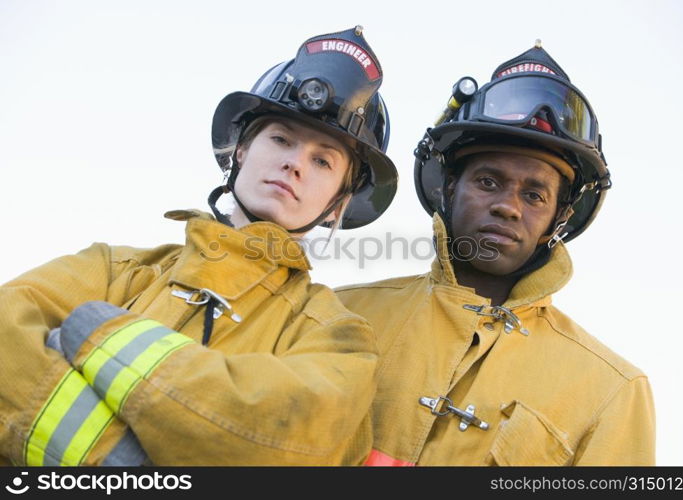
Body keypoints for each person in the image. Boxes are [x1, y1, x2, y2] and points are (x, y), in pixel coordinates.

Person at [0, 26, 398, 466]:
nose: (294, 163)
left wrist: (93, 335)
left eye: (323, 160)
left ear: (337, 202)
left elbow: (292, 438)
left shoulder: (337, 336)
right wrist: (109, 454)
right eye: (281, 139)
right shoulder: (113, 267)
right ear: (241, 150)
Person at [337, 42, 655, 465]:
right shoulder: (338, 315)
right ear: (450, 187)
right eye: (488, 182)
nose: (509, 206)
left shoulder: (613, 391)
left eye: (535, 195)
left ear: (560, 217)